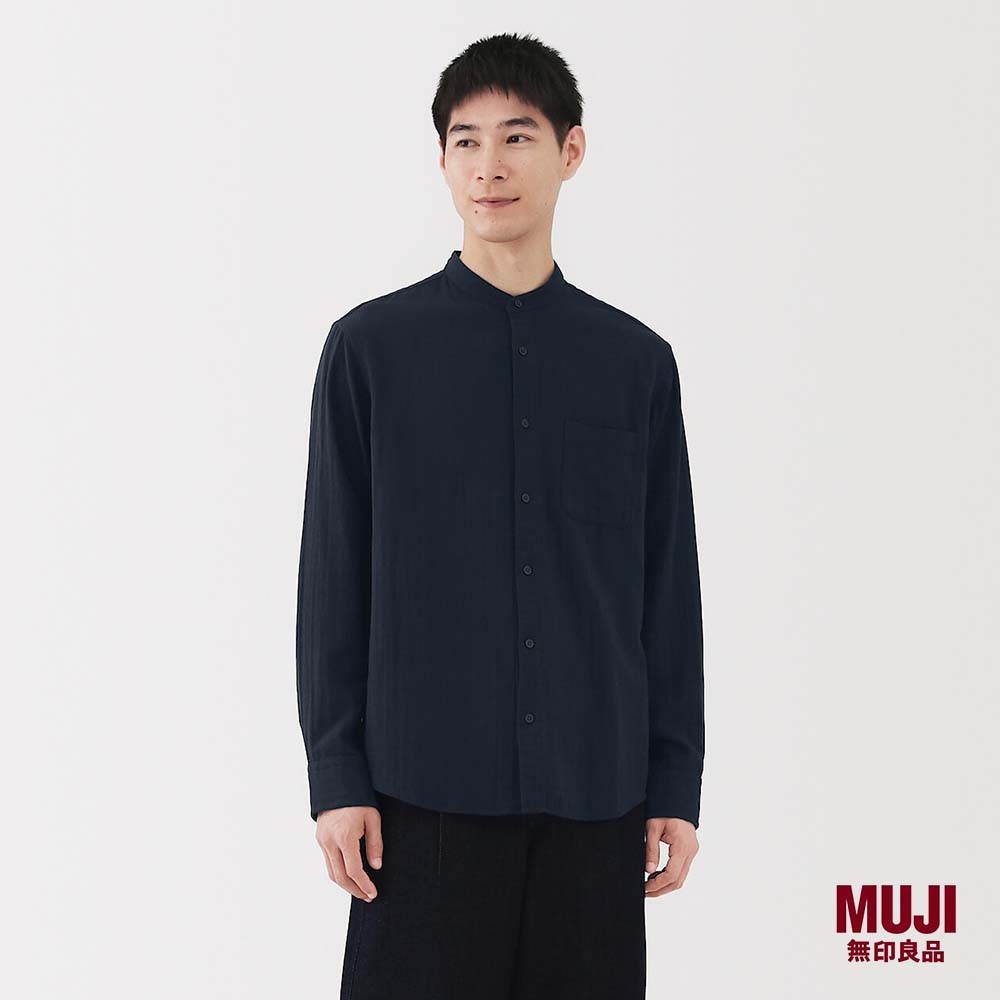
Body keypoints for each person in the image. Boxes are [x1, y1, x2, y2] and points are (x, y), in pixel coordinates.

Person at [296, 30, 705, 1000]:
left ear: (570, 151)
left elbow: (666, 587)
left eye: (517, 137)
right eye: (466, 140)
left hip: (594, 801)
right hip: (418, 801)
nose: (489, 166)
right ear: (441, 160)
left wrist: (675, 781)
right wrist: (336, 776)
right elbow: (334, 580)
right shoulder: (370, 351)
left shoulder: (635, 365)